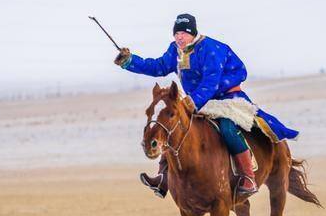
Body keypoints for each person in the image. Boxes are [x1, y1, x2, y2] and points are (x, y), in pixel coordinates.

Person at [115, 13, 298, 198]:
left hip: (226, 98)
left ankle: (248, 176)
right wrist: (130, 61)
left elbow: (211, 82)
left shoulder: (211, 49)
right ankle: (163, 177)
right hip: (197, 101)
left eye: (183, 33)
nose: (179, 37)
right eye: (176, 33)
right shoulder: (175, 50)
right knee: (175, 129)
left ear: (192, 33)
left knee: (227, 128)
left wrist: (192, 101)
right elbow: (157, 67)